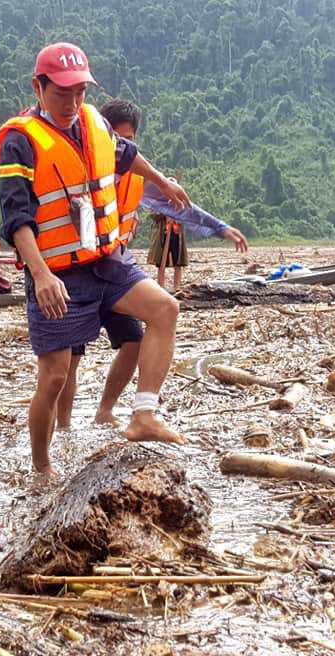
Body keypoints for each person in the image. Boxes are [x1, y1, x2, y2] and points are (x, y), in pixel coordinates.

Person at [0, 42, 195, 480]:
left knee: (165, 308)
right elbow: (17, 217)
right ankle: (43, 470)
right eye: (62, 93)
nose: (72, 103)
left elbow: (126, 155)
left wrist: (164, 183)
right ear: (38, 86)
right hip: (59, 273)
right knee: (54, 377)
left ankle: (143, 415)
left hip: (106, 261)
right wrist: (41, 273)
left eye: (80, 92)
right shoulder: (18, 140)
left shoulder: (94, 122)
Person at [55, 99, 248, 430]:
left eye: (126, 141)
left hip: (113, 269)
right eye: (114, 138)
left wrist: (220, 228)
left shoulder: (138, 178)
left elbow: (181, 205)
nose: (119, 149)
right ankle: (64, 429)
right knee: (69, 360)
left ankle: (108, 412)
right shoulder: (77, 168)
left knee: (134, 340)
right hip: (76, 272)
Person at [148, 212, 187, 291]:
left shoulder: (180, 204)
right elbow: (153, 215)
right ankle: (160, 288)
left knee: (178, 263)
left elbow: (186, 215)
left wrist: (175, 216)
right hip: (163, 235)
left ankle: (176, 288)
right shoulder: (158, 203)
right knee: (161, 263)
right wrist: (165, 214)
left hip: (177, 235)